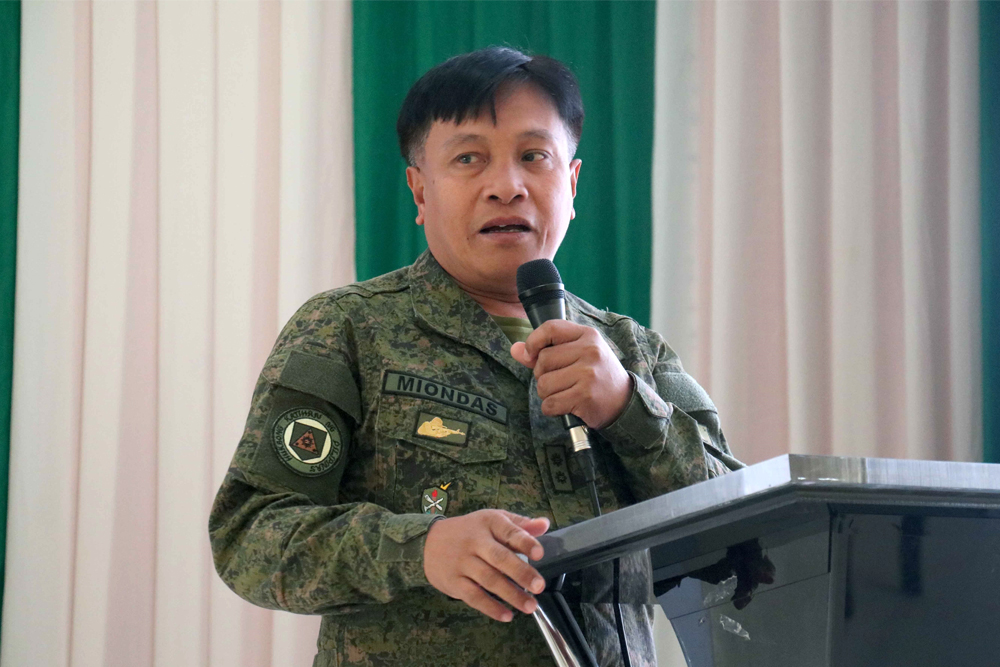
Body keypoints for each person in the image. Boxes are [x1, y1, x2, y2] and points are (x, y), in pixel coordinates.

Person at [209, 46, 742, 667]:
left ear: (570, 183)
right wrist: (421, 548)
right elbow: (250, 537)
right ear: (420, 189)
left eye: (533, 157)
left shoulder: (632, 353)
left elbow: (746, 541)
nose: (506, 186)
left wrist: (628, 408)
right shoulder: (348, 329)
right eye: (469, 159)